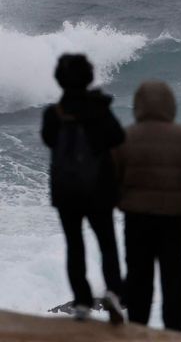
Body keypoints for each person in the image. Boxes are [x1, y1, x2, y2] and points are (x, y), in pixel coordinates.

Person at [113, 81, 181, 332]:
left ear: (138, 105)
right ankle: (175, 331)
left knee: (139, 275)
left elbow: (111, 177)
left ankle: (137, 326)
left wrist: (118, 202)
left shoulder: (126, 137)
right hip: (173, 218)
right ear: (170, 105)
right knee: (174, 276)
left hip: (137, 218)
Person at [40, 54, 126, 324]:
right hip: (99, 189)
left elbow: (48, 140)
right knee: (107, 243)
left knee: (74, 245)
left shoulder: (54, 113)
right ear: (89, 77)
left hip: (66, 192)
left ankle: (81, 302)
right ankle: (113, 292)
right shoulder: (100, 109)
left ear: (60, 80)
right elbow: (118, 137)